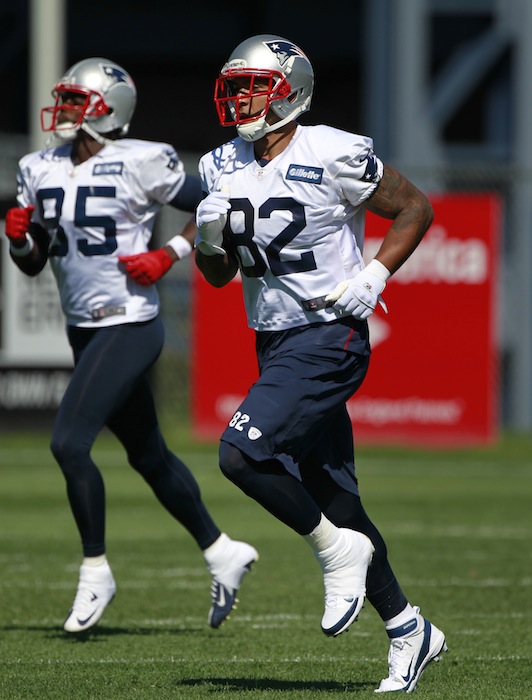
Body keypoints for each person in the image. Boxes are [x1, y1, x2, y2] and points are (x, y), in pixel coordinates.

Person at [195, 35, 447, 693]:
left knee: (240, 453)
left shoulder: (332, 149)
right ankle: (408, 628)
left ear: (291, 89)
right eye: (236, 86)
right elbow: (219, 276)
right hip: (275, 340)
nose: (241, 97)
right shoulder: (221, 164)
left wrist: (375, 274)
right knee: (340, 500)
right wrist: (206, 242)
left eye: (254, 85)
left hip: (329, 335)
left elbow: (413, 207)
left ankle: (335, 554)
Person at [3, 57, 257, 634]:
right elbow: (34, 262)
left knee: (69, 443)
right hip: (82, 326)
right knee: (148, 455)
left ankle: (96, 569)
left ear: (106, 107)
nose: (63, 109)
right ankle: (222, 551)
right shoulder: (37, 167)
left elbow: (214, 204)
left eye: (74, 99)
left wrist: (169, 255)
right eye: (63, 98)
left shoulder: (144, 159)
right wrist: (19, 241)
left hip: (130, 323)